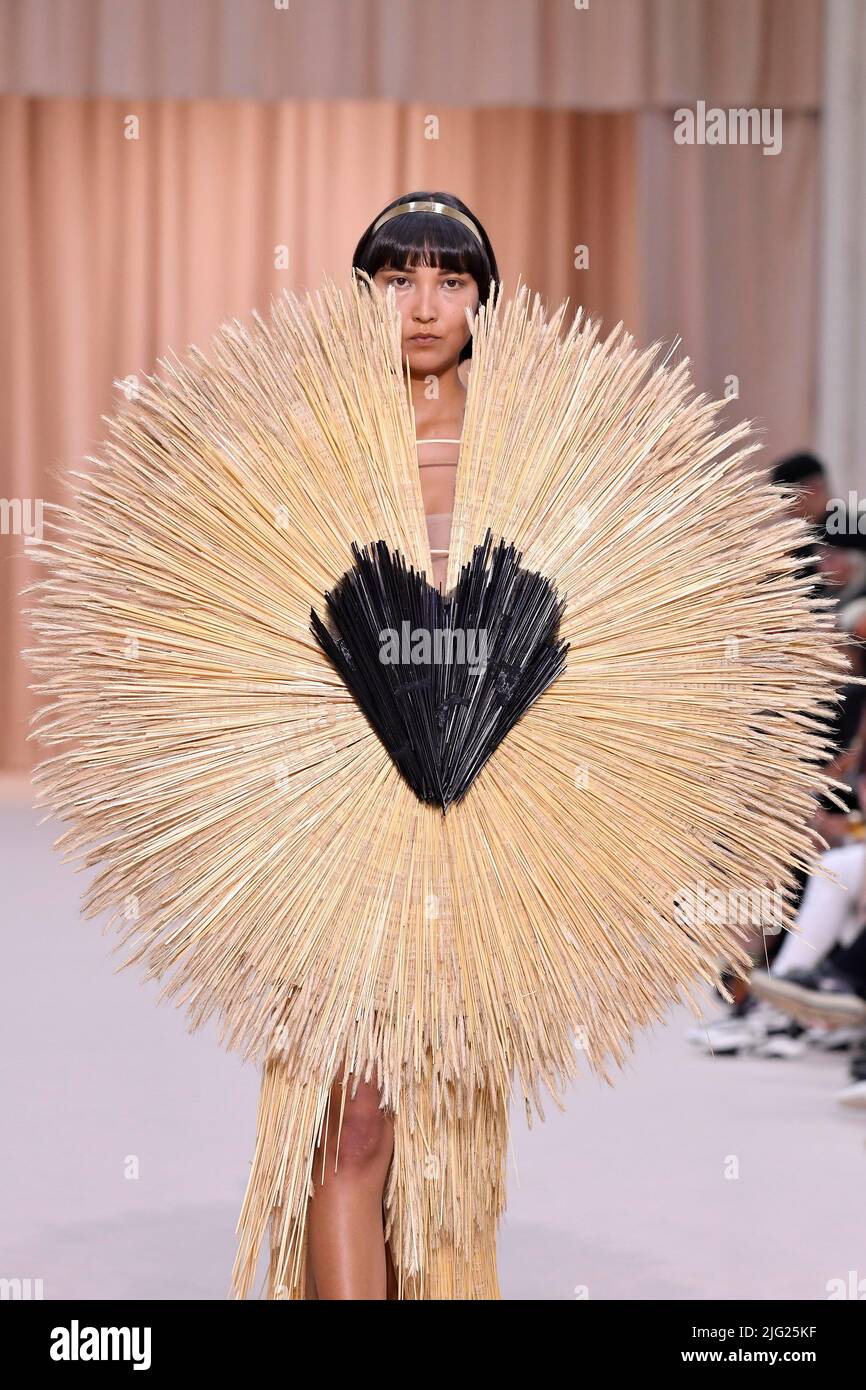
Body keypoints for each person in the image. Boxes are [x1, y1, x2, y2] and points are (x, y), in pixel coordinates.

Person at [303, 192, 500, 1299]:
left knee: (448, 1119)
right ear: (364, 295)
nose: (422, 305)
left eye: (450, 280)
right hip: (340, 807)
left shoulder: (533, 440)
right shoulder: (311, 436)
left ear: (483, 299)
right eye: (395, 280)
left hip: (481, 809)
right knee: (354, 1115)